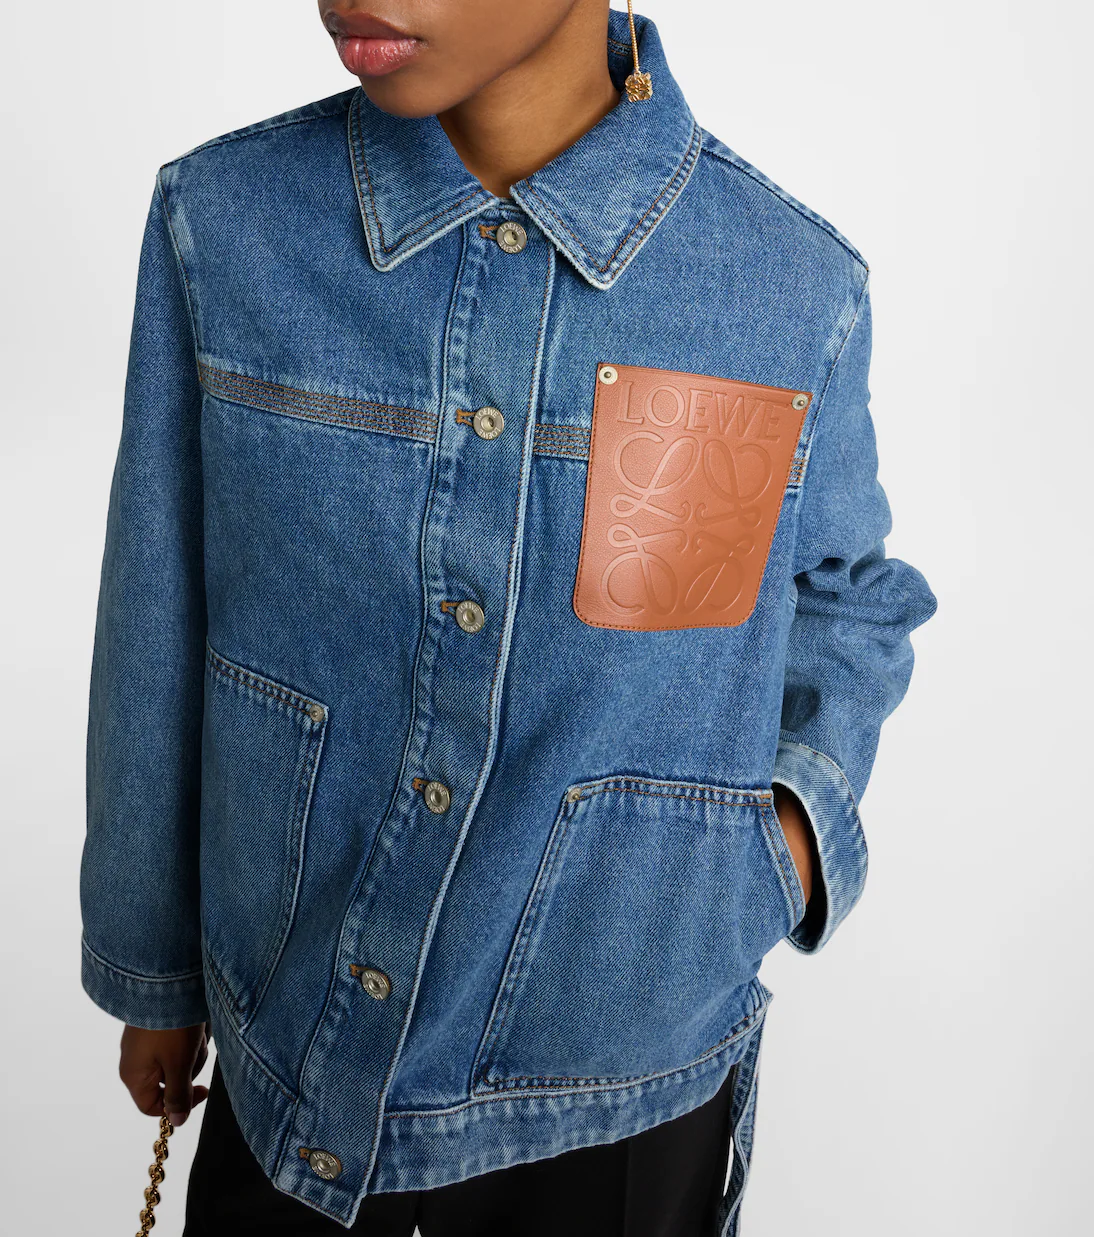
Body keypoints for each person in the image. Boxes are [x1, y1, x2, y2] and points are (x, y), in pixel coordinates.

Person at [79, 2, 937, 1234]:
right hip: (294, 1067)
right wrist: (151, 964)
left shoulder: (785, 286)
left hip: (626, 1104)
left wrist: (779, 842)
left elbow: (848, 602)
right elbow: (154, 609)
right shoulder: (225, 222)